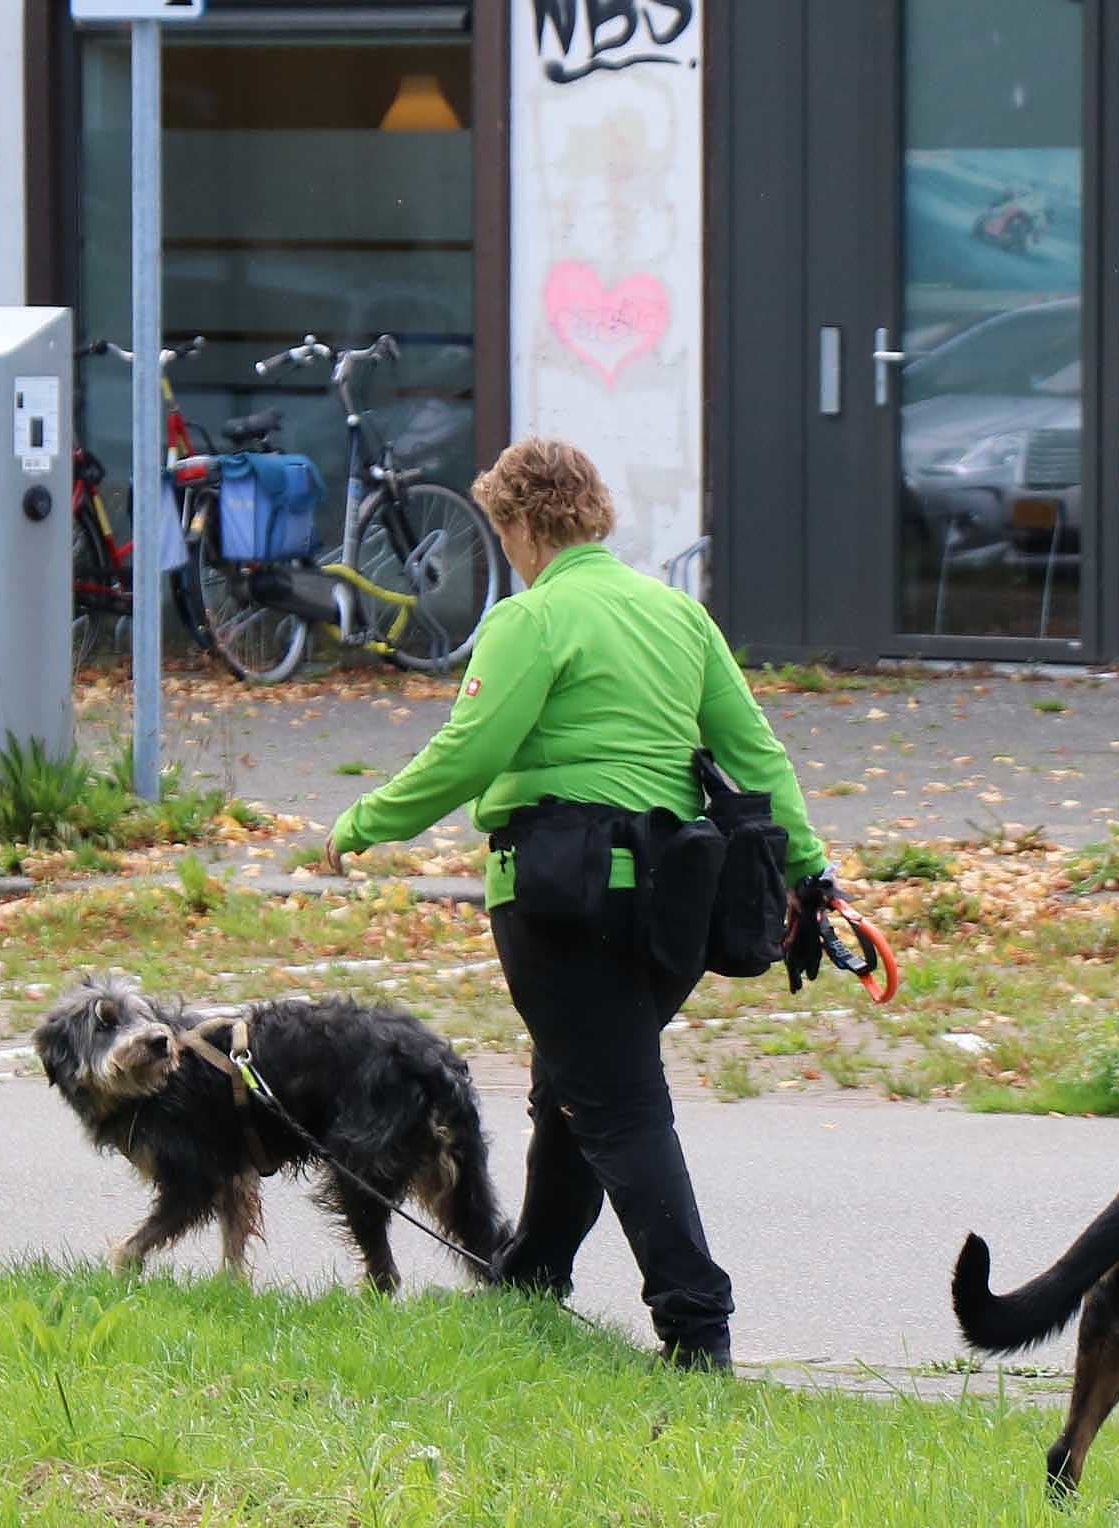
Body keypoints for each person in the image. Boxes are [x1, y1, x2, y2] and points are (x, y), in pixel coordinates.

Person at [315, 438, 835, 1371]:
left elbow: (470, 753)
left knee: (618, 1105)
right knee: (576, 1091)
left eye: (502, 529)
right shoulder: (680, 616)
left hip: (562, 897)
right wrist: (812, 872)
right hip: (675, 907)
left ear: (519, 524)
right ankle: (531, 1278)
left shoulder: (535, 616)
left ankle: (696, 1324)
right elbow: (758, 758)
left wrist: (361, 822)